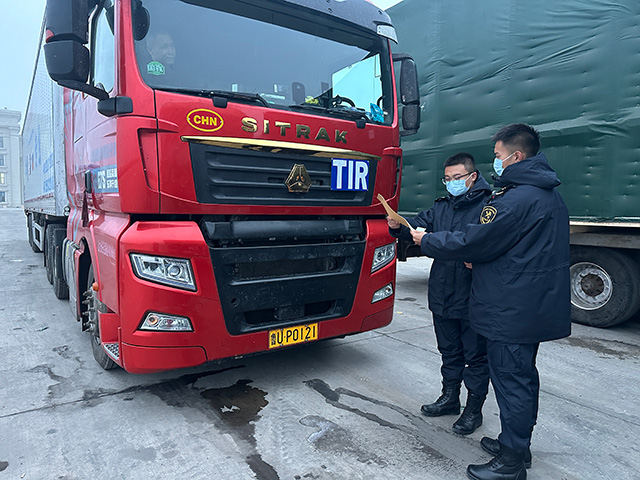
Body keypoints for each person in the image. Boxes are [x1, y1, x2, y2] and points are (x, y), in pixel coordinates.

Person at [411, 124, 571, 480]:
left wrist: (427, 241)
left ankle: (510, 465)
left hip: (510, 308)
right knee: (523, 379)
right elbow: (520, 251)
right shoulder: (547, 196)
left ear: (516, 156)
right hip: (529, 305)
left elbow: (474, 241)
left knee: (512, 383)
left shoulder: (514, 200)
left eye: (498, 156)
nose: (496, 162)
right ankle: (517, 446)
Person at [388, 152, 492, 435]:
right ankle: (449, 397)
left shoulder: (489, 206)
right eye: (447, 179)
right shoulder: (442, 207)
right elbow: (419, 225)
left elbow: (483, 245)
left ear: (472, 177)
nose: (451, 183)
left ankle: (474, 408)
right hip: (443, 290)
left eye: (457, 178)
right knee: (449, 350)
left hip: (473, 293)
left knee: (476, 356)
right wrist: (398, 225)